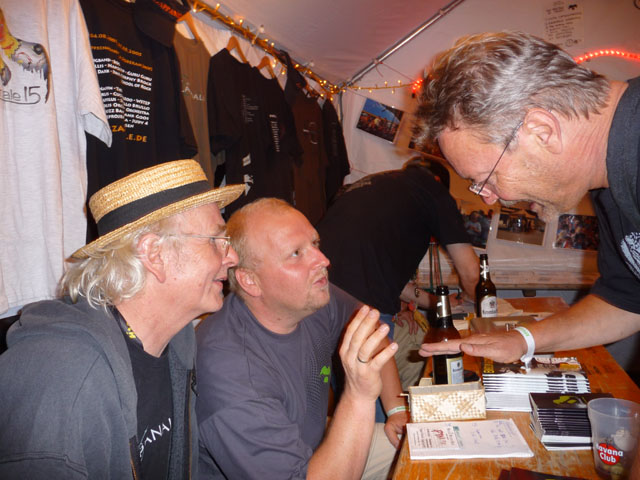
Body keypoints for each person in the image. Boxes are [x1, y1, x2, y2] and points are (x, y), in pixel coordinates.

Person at [414, 31, 640, 396]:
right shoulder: (608, 183)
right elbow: (626, 300)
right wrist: (522, 339)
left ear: (541, 131)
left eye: (486, 178)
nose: (492, 199)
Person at [0, 160, 244, 479]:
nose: (232, 257)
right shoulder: (64, 378)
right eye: (215, 240)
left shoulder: (178, 344)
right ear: (154, 254)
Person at [196, 198, 403, 480]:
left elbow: (371, 329)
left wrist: (396, 409)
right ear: (250, 281)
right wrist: (359, 395)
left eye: (314, 244)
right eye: (296, 253)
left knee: (422, 450)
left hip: (315, 446)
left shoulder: (309, 298)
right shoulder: (231, 371)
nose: (323, 260)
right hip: (298, 471)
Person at [316, 155, 479, 392]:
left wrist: (437, 302)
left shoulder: (373, 185)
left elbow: (393, 282)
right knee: (373, 397)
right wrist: (478, 304)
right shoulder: (433, 189)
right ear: (439, 182)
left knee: (347, 392)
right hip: (362, 306)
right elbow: (472, 273)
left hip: (317, 297)